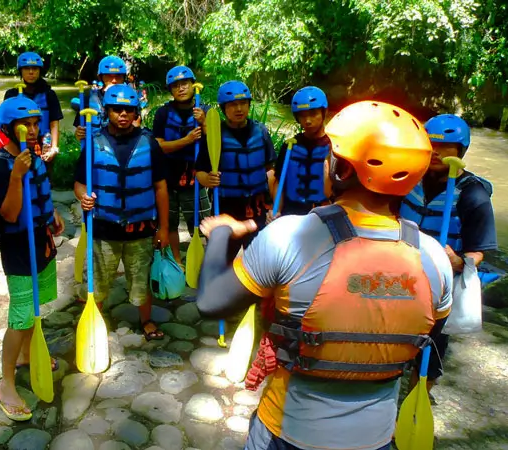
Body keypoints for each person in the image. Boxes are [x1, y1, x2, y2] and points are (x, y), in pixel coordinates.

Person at [196, 101, 454, 450]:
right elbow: (426, 329)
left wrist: (223, 234)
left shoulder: (290, 237)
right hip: (375, 439)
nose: (323, 161)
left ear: (342, 170)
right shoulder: (435, 259)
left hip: (286, 433)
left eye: (330, 155)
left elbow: (211, 302)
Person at [0, 95, 64, 421]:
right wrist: (16, 176)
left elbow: (39, 196)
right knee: (21, 315)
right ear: (9, 128)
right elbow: (9, 215)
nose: (35, 130)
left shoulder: (34, 157)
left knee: (39, 301)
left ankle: (27, 355)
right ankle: (5, 384)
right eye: (28, 124)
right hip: (17, 247)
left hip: (40, 238)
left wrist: (51, 217)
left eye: (38, 123)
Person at [399, 113, 497, 399]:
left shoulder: (473, 194)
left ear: (460, 151)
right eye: (432, 145)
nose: (437, 153)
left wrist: (458, 262)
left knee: (430, 350)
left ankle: (415, 401)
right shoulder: (408, 178)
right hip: (402, 275)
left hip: (439, 285)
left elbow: (478, 251)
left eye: (446, 147)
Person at [73, 84, 168, 341]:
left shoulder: (149, 143)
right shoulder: (94, 144)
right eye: (117, 109)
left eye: (128, 109)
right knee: (97, 282)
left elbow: (160, 188)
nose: (122, 114)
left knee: (141, 281)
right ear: (107, 111)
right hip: (103, 228)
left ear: (136, 112)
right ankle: (92, 319)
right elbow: (79, 182)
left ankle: (146, 320)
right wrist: (83, 197)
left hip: (140, 229)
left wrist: (164, 228)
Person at [195, 80, 276, 262]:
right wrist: (207, 179)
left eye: (243, 103)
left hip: (257, 207)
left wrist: (271, 204)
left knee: (259, 261)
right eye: (232, 105)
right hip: (226, 208)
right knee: (220, 262)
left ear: (248, 105)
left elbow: (270, 170)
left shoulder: (260, 131)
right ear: (224, 109)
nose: (239, 109)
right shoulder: (215, 135)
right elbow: (199, 171)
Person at [151, 65, 211, 266]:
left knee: (205, 224)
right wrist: (186, 141)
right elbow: (158, 146)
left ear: (193, 85)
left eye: (185, 83)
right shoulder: (162, 113)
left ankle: (208, 261)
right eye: (176, 86)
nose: (181, 88)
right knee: (171, 223)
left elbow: (216, 142)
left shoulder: (206, 111)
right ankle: (177, 261)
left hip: (196, 174)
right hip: (169, 175)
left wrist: (204, 124)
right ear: (171, 90)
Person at [270, 86, 331, 219]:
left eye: (313, 113)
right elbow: (280, 182)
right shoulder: (290, 145)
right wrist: (276, 212)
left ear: (324, 112)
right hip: (291, 212)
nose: (308, 120)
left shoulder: (334, 147)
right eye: (302, 115)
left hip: (321, 214)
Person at [3, 52, 64, 161]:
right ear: (20, 71)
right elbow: (6, 125)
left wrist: (54, 148)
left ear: (40, 71)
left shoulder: (49, 94)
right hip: (19, 142)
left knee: (42, 175)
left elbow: (54, 123)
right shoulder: (11, 95)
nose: (31, 72)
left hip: (44, 142)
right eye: (27, 68)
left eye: (35, 69)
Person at [72, 55, 128, 141]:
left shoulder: (131, 100)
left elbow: (136, 127)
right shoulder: (88, 100)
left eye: (118, 76)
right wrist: (78, 134)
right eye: (109, 76)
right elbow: (77, 133)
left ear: (124, 77)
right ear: (100, 77)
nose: (114, 80)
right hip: (95, 148)